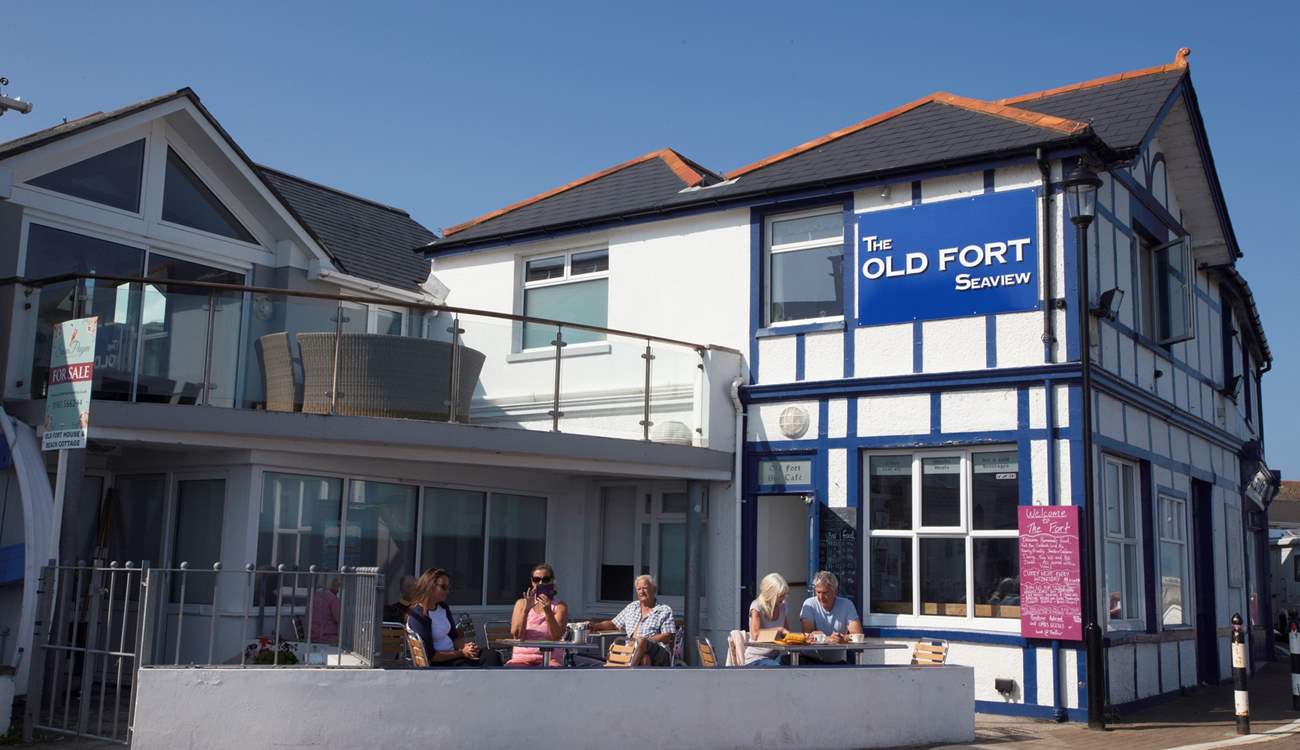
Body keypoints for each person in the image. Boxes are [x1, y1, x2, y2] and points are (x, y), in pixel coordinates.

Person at [406, 567, 500, 667]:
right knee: (475, 666)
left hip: (455, 655)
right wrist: (461, 653)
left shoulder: (443, 608)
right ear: (430, 587)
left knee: (492, 655)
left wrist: (467, 648)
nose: (447, 591)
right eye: (443, 587)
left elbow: (453, 637)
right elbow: (431, 655)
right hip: (441, 662)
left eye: (448, 587)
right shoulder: (419, 614)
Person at [590, 574, 675, 666]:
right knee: (645, 659)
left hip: (659, 653)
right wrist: (594, 626)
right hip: (632, 651)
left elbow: (668, 636)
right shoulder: (632, 607)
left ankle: (628, 670)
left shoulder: (664, 610)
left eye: (645, 588)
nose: (641, 592)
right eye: (639, 589)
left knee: (642, 641)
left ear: (654, 589)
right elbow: (614, 624)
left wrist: (644, 642)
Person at [506, 563, 569, 667]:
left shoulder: (560, 606)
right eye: (536, 579)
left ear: (552, 581)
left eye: (545, 579)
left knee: (552, 670)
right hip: (522, 657)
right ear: (532, 582)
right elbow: (517, 636)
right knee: (511, 669)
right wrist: (526, 611)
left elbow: (556, 637)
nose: (541, 583)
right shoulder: (521, 603)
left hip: (550, 657)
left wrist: (548, 611)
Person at [799, 570, 863, 664]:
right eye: (818, 592)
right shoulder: (809, 604)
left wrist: (843, 639)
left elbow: (858, 635)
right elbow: (807, 635)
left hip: (835, 662)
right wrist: (828, 639)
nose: (821, 597)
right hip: (810, 660)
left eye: (825, 592)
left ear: (835, 591)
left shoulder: (847, 605)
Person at [745, 573, 790, 667]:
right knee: (778, 668)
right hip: (756, 658)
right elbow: (755, 635)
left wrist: (802, 638)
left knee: (798, 664)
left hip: (775, 656)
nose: (784, 598)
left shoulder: (783, 606)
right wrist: (778, 630)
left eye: (784, 594)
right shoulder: (756, 606)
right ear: (770, 594)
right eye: (780, 595)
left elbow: (786, 634)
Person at [310, 575, 341, 642]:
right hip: (328, 636)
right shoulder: (333, 599)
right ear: (331, 584)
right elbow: (340, 619)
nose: (338, 589)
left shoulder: (314, 595)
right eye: (337, 585)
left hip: (312, 635)